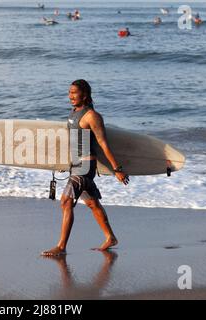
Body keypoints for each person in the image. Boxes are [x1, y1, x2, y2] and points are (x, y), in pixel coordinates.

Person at [41, 80, 129, 256]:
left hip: (85, 165)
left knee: (66, 201)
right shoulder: (74, 112)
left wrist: (117, 169)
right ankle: (110, 237)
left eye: (74, 92)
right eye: (69, 92)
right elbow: (75, 141)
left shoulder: (91, 116)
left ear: (85, 94)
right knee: (92, 203)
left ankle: (61, 247)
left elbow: (103, 143)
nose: (70, 96)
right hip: (76, 165)